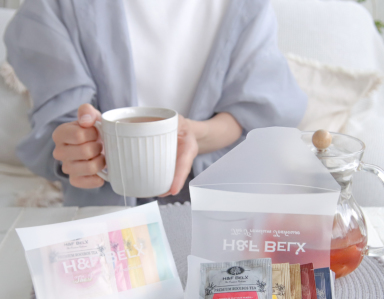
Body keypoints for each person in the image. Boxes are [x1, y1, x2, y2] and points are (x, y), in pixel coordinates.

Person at [5, 0, 307, 207]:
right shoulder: (54, 7)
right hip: (103, 212)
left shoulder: (246, 7)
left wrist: (197, 135)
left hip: (221, 207)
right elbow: (60, 124)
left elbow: (252, 112)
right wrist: (79, 149)